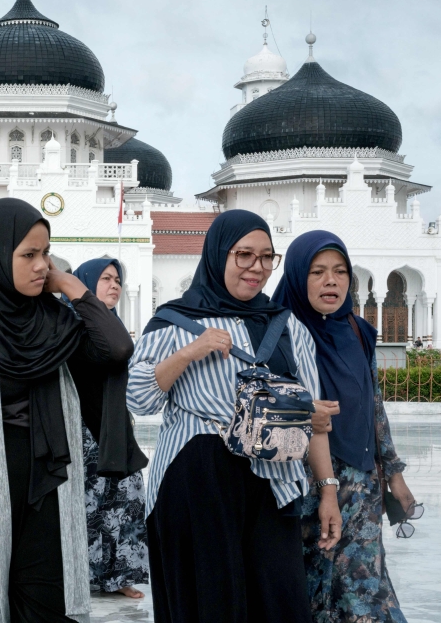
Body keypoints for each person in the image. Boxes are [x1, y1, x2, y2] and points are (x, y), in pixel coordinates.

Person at [0, 198, 140, 623]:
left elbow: (117, 348)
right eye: (28, 255)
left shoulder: (55, 326)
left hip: (48, 497)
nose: (42, 265)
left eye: (46, 254)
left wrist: (73, 287)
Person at [127, 209, 342, 623]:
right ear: (219, 255)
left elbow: (313, 419)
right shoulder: (175, 322)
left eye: (266, 257)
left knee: (279, 603)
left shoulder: (286, 327)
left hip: (273, 480)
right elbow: (138, 399)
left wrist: (327, 490)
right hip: (197, 477)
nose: (256, 268)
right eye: (244, 255)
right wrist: (191, 350)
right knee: (210, 603)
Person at [272, 230, 415, 622]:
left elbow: (373, 407)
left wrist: (394, 474)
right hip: (302, 487)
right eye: (317, 272)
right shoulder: (277, 334)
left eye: (340, 271)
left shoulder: (357, 332)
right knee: (310, 590)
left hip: (362, 488)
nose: (330, 281)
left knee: (364, 590)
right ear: (298, 277)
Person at [65, 258, 149, 598]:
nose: (114, 285)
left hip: (114, 430)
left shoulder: (113, 326)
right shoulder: (71, 327)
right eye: (105, 278)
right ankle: (81, 575)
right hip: (83, 432)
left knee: (125, 501)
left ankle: (121, 577)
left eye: (118, 280)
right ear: (85, 283)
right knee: (88, 506)